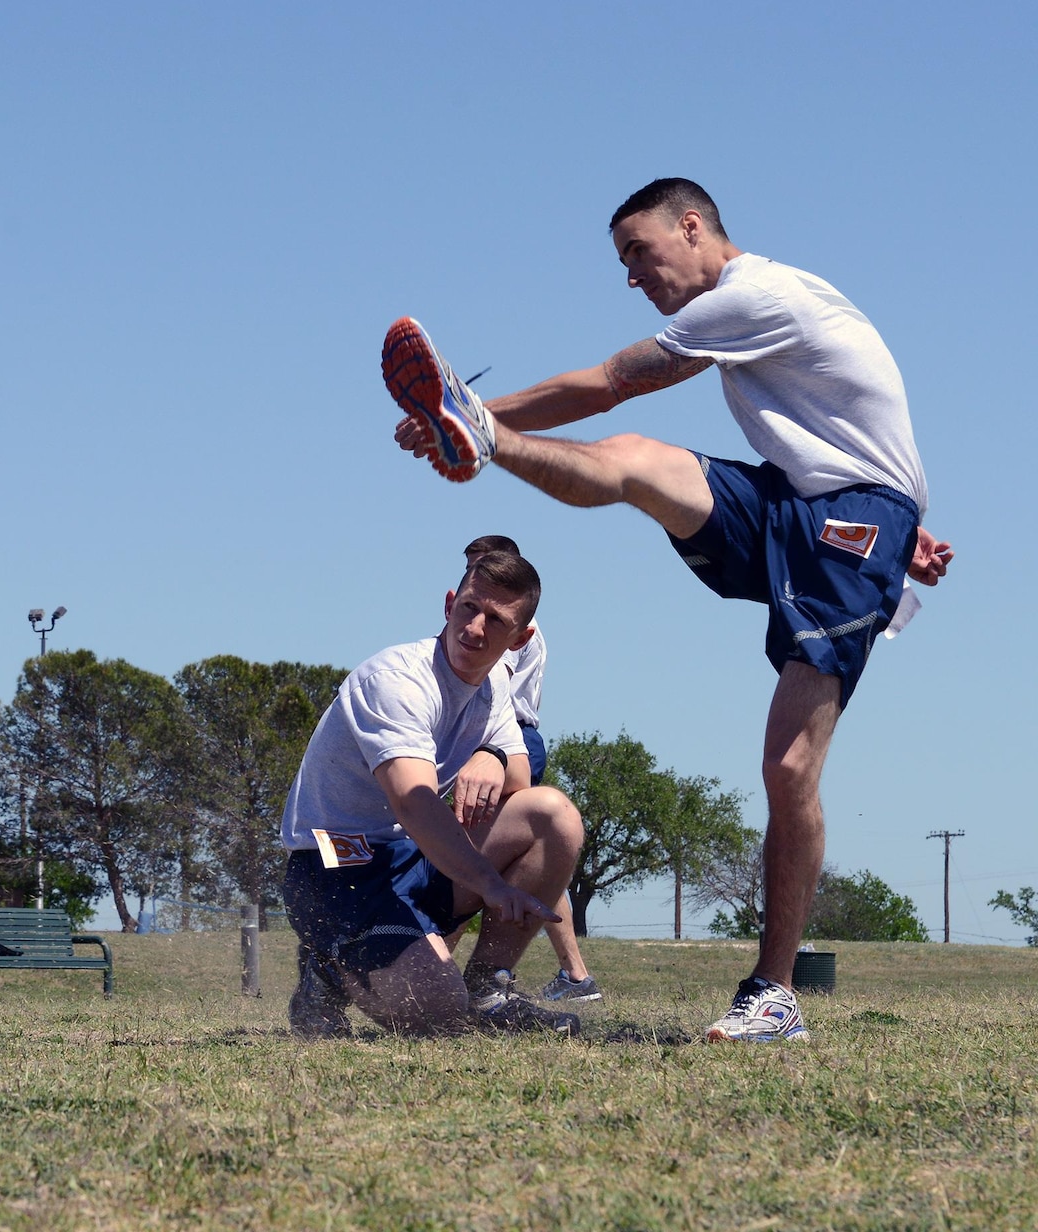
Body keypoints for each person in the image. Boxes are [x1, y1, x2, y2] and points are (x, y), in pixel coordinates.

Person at [384, 177, 954, 1043]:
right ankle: (481, 439)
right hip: (798, 503)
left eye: (638, 253)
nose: (632, 276)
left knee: (790, 768)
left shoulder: (754, 295)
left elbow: (608, 381)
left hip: (852, 521)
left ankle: (774, 994)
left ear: (693, 228)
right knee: (638, 463)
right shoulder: (764, 305)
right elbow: (853, 411)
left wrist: (470, 410)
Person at [281, 550, 587, 1037]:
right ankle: (325, 973)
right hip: (333, 864)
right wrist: (490, 884)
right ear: (449, 604)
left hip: (410, 854)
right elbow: (414, 801)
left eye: (496, 620)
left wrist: (495, 755)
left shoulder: (494, 689)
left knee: (553, 816)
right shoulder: (396, 680)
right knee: (438, 1012)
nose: (474, 628)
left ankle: (489, 988)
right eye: (469, 607)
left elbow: (522, 784)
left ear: (520, 639)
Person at [460, 535, 601, 1005]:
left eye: (490, 568)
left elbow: (492, 679)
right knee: (525, 854)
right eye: (473, 571)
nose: (479, 580)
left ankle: (465, 963)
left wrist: (491, 752)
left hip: (511, 739)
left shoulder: (517, 630)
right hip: (490, 736)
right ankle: (575, 975)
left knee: (513, 843)